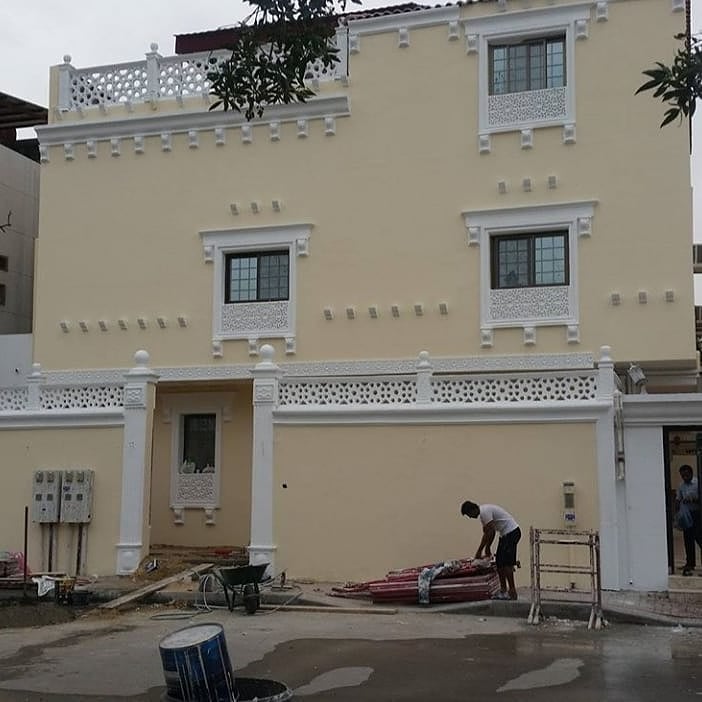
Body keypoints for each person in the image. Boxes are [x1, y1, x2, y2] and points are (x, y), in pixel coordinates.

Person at [461, 500, 521, 600]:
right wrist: (481, 549)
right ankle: (503, 591)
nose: (470, 517)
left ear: (472, 510)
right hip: (505, 534)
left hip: (511, 532)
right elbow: (486, 534)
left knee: (507, 564)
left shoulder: (484, 512)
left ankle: (512, 592)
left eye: (469, 515)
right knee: (500, 563)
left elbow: (491, 532)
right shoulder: (483, 515)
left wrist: (486, 548)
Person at [675, 465, 702, 576]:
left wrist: (695, 499)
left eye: (686, 475)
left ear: (691, 473)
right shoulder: (681, 486)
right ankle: (690, 563)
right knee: (688, 539)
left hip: (697, 514)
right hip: (687, 515)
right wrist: (678, 512)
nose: (685, 477)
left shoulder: (698, 483)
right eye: (683, 476)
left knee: (699, 538)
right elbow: (678, 499)